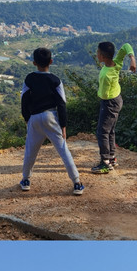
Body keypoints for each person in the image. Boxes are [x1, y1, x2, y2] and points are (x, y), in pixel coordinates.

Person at [19, 47, 84, 195]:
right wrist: (63, 125)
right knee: (63, 150)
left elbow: (24, 100)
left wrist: (27, 119)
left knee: (30, 152)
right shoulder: (55, 80)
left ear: (34, 62)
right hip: (51, 116)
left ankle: (25, 180)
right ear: (51, 61)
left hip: (34, 118)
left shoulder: (29, 79)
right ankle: (77, 182)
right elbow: (61, 104)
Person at [92, 41, 137, 173]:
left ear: (103, 56)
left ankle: (105, 162)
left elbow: (104, 95)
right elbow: (126, 46)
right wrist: (132, 59)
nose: (96, 54)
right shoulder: (116, 63)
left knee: (102, 132)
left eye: (98, 52)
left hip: (109, 103)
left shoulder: (106, 74)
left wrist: (99, 95)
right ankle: (112, 158)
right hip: (117, 100)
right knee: (110, 130)